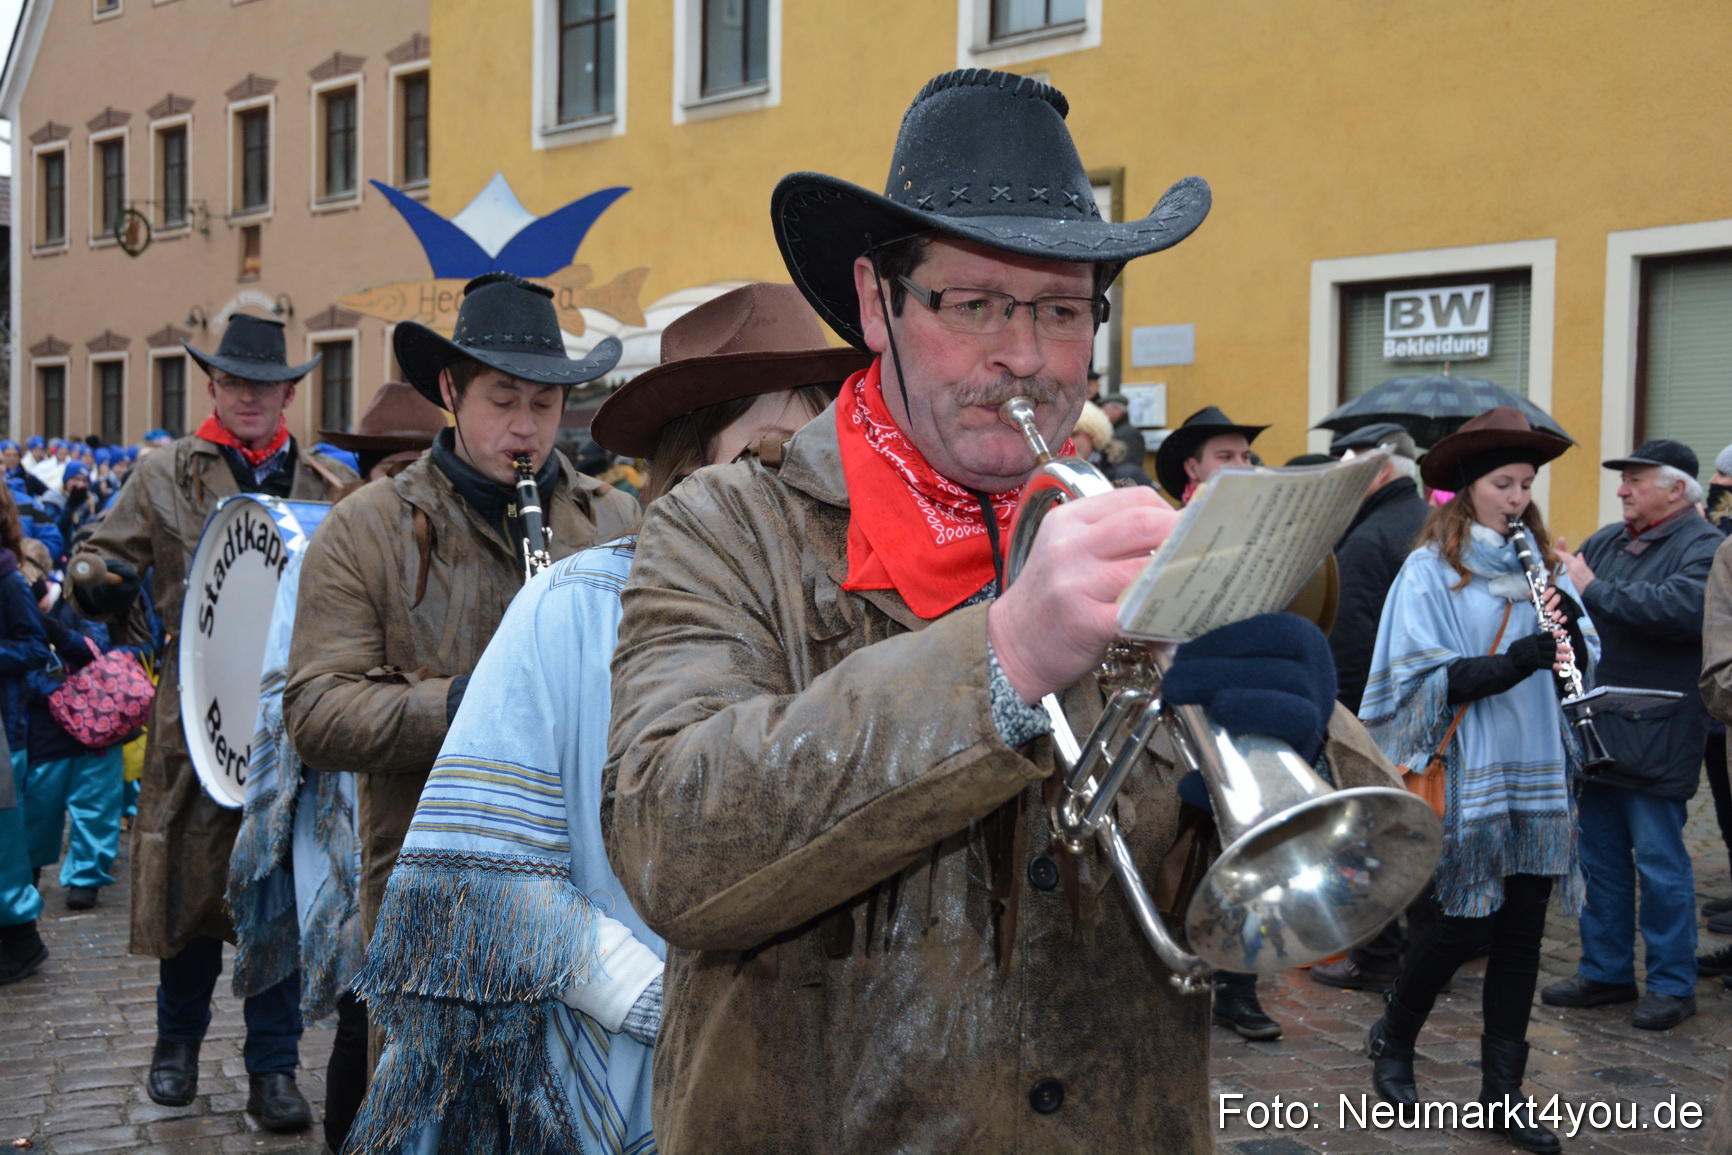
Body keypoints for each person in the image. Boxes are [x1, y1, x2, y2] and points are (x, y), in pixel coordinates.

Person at [602, 69, 1403, 1151]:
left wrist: (1293, 746)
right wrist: (1005, 656)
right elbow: (670, 847)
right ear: (878, 304)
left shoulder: (1139, 530)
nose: (1023, 358)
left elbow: (1336, 875)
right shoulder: (723, 525)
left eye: (1062, 311)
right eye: (972, 304)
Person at [345, 282, 868, 1154]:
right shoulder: (576, 606)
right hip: (622, 1064)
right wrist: (652, 994)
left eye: (821, 445)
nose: (799, 477)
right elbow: (479, 877)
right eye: (765, 452)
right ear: (691, 469)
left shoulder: (857, 605)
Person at [282, 273, 640, 1152]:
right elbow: (315, 711)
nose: (526, 428)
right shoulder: (366, 527)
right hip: (432, 891)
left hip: (590, 895)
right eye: (503, 400)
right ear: (450, 390)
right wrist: (471, 702)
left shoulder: (614, 518)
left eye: (546, 404)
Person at [68, 312, 357, 1131]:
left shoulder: (328, 487)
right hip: (197, 715)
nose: (249, 396)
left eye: (264, 384)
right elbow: (103, 550)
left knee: (279, 891)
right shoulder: (164, 473)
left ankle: (273, 1067)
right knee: (191, 891)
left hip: (293, 722)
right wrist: (96, 577)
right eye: (234, 382)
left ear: (289, 393)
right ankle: (177, 1044)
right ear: (212, 386)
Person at [1359, 407, 1593, 1155]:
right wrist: (1518, 659)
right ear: (1467, 489)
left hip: (1537, 767)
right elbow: (1418, 679)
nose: (1518, 498)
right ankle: (1395, 1037)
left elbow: (1582, 656)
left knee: (1522, 935)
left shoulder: (1541, 568)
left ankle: (1503, 1096)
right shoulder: (1430, 570)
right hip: (1469, 768)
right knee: (1463, 925)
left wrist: (1570, 641)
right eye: (1503, 484)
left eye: (1525, 484)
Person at [225, 379, 447, 1149]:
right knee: (365, 1011)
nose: (408, 484)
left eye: (420, 466)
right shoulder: (332, 550)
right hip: (348, 812)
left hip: (443, 808)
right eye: (393, 469)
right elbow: (288, 690)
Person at [1539, 438, 1721, 1031]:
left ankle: (1672, 983)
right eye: (1624, 481)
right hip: (1597, 728)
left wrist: (1590, 588)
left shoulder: (1705, 547)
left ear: (1677, 489)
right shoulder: (1607, 541)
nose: (1621, 490)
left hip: (1661, 733)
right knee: (1599, 862)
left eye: (1635, 481)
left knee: (1661, 867)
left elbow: (1680, 610)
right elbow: (1570, 606)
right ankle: (1606, 971)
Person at [1310, 422, 1434, 993]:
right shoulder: (1433, 522)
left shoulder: (1368, 537)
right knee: (1418, 827)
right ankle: (1428, 952)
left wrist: (1340, 722)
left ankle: (1378, 955)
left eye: (1351, 468)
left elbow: (1351, 642)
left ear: (1380, 471)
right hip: (1433, 711)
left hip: (1376, 714)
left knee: (1371, 828)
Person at [0, 485, 52, 985]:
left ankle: (21, 937)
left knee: (5, 841)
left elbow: (35, 647)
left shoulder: (8, 577)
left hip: (5, 727)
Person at [1152, 404, 1267, 506]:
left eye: (1245, 457)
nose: (1242, 466)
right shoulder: (1177, 522)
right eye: (1226, 457)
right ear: (1192, 468)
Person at [1098, 389, 1146, 465]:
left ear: (1118, 410)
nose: (1101, 412)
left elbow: (1129, 465)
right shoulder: (1115, 430)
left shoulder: (1129, 434)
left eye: (1104, 408)